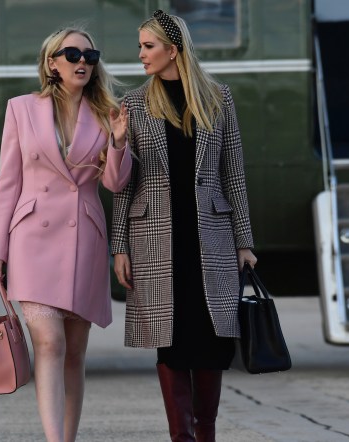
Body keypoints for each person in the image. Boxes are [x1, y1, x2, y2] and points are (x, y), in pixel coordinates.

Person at [111, 10, 257, 442]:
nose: (141, 55)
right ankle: (182, 437)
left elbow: (234, 173)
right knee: (171, 340)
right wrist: (119, 245)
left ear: (173, 50)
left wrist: (244, 241)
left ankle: (205, 434)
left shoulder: (218, 98)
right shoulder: (135, 104)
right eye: (140, 46)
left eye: (148, 46)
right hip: (154, 238)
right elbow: (124, 185)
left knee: (212, 340)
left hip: (210, 236)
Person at [0, 27, 131, 442]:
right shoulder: (21, 109)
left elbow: (116, 185)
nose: (82, 61)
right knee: (48, 343)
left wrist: (119, 144)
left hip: (82, 239)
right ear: (52, 62)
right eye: (71, 54)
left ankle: (67, 437)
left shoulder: (108, 114)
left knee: (74, 354)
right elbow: (7, 183)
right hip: (31, 239)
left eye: (89, 55)